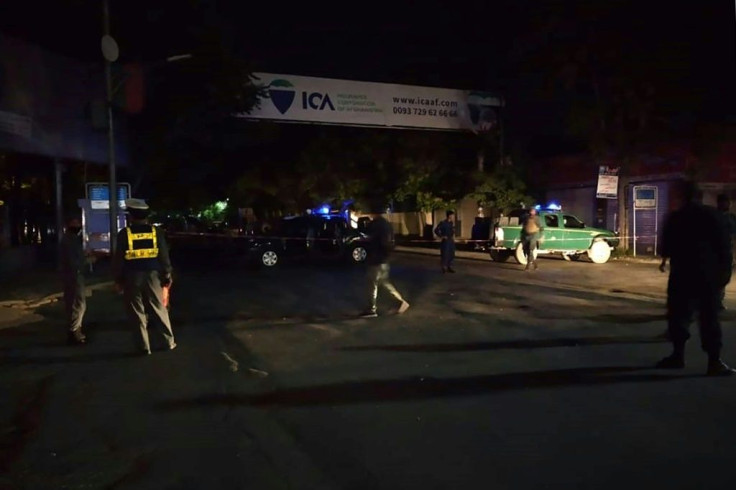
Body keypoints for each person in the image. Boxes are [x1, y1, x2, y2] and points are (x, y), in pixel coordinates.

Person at [656, 181, 734, 376]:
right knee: (709, 318)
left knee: (679, 316)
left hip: (682, 274)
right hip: (708, 276)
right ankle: (714, 362)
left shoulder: (675, 218)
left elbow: (665, 249)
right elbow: (725, 248)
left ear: (682, 196)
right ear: (700, 196)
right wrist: (724, 274)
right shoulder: (714, 216)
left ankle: (678, 356)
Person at [113, 198, 176, 355]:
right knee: (158, 308)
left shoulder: (124, 234)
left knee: (136, 313)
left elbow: (119, 258)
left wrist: (118, 279)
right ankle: (168, 342)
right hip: (153, 276)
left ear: (131, 216)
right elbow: (164, 256)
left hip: (131, 277)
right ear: (146, 216)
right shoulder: (156, 232)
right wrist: (167, 275)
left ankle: (143, 347)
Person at [360, 207, 410, 318]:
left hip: (376, 259)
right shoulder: (386, 224)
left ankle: (371, 309)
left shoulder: (377, 225)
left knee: (372, 284)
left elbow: (373, 240)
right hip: (383, 259)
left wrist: (367, 242)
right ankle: (399, 302)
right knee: (384, 283)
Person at [59, 217, 93, 345]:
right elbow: (75, 262)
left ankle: (74, 330)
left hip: (71, 275)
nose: (79, 225)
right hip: (74, 275)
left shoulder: (69, 239)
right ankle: (74, 332)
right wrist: (89, 260)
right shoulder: (70, 240)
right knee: (78, 303)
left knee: (74, 302)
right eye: (76, 223)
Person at [716, 194, 736, 310]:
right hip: (715, 252)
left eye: (727, 202)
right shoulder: (714, 216)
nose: (726, 204)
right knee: (717, 276)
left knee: (725, 277)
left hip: (727, 251)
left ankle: (718, 299)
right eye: (723, 202)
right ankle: (716, 300)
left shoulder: (732, 217)